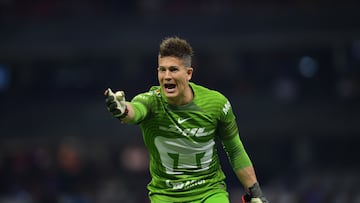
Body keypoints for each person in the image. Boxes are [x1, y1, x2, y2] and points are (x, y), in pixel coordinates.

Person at [104, 36, 269, 203]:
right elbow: (134, 111)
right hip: (166, 197)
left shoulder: (216, 103)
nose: (166, 76)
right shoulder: (150, 102)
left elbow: (234, 150)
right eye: (162, 70)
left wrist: (256, 193)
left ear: (188, 73)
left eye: (173, 69)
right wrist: (123, 109)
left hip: (209, 193)